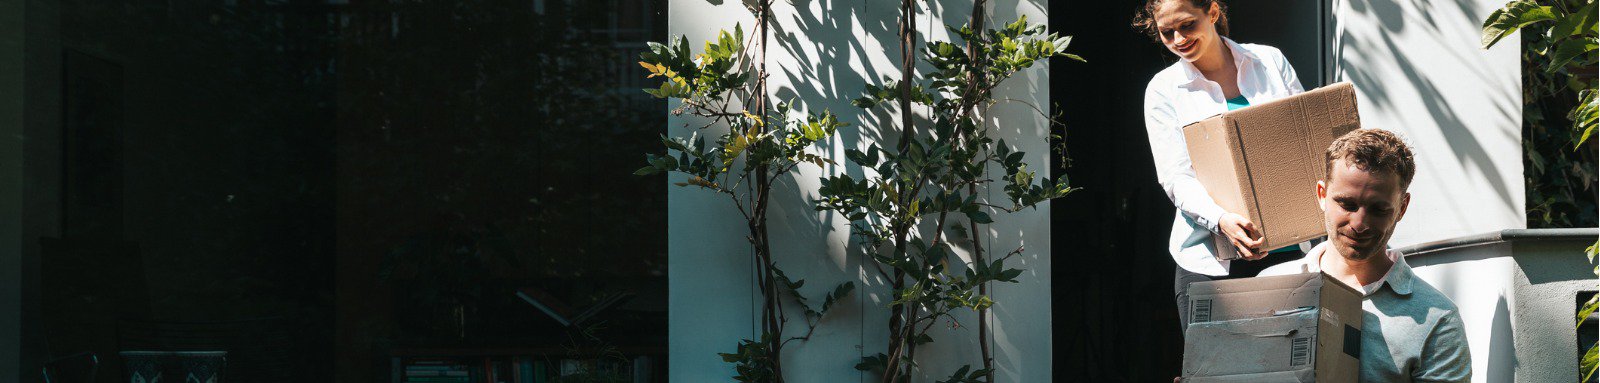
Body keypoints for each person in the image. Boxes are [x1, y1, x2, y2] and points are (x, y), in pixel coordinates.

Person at [1133, 0, 1310, 330]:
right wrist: (1222, 220)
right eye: (1166, 32)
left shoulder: (1268, 61)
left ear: (1212, 13)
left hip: (1287, 249)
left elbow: (1301, 139)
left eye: (1187, 25)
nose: (1178, 39)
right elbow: (1176, 176)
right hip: (1208, 259)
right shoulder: (1163, 90)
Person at [1260, 129, 1472, 382]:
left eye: (1378, 209)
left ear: (1401, 208)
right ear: (1321, 195)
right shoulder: (1267, 286)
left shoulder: (1437, 320)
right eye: (1347, 204)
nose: (1359, 223)